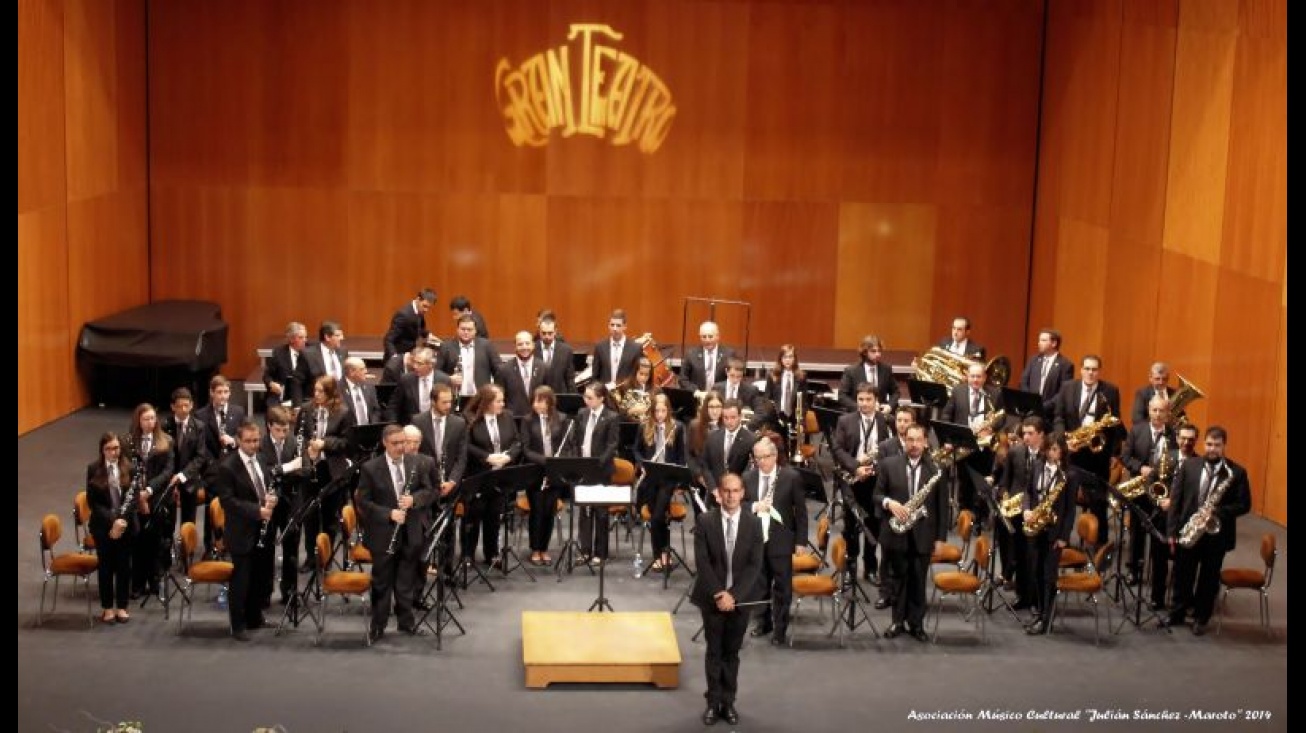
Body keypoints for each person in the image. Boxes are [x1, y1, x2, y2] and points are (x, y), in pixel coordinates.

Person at [688, 473, 762, 727]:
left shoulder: (753, 524)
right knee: (714, 652)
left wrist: (735, 595)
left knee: (732, 653)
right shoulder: (705, 521)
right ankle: (712, 703)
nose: (731, 496)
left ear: (743, 493)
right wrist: (720, 594)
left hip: (740, 601)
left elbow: (754, 566)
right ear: (719, 493)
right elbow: (703, 562)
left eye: (735, 491)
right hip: (712, 598)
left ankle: (728, 703)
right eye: (726, 491)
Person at [1163, 426, 1251, 636]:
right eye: (1209, 444)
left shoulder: (1236, 473)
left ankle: (1201, 618)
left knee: (1208, 580)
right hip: (1189, 530)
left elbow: (1244, 504)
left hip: (1215, 535)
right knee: (1183, 575)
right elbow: (1176, 501)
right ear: (1204, 444)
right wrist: (1172, 531)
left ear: (1224, 446)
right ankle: (1177, 613)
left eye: (1217, 445)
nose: (1212, 449)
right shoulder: (1189, 466)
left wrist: (1217, 512)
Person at [356, 425, 436, 640]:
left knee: (406, 581)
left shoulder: (415, 463)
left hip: (410, 531)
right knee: (382, 582)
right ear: (385, 443)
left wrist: (414, 500)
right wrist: (388, 513)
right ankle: (378, 625)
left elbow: (430, 490)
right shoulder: (371, 468)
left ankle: (406, 623)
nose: (402, 447)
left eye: (403, 442)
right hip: (383, 534)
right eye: (396, 443)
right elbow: (363, 502)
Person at [873, 423, 948, 641]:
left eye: (918, 440)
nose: (914, 444)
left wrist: (940, 539)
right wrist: (889, 503)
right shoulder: (888, 465)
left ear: (926, 442)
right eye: (910, 440)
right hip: (896, 533)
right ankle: (897, 622)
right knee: (897, 581)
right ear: (904, 440)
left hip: (923, 534)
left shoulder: (936, 469)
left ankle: (916, 624)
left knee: (918, 581)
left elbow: (942, 507)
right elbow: (877, 495)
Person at [213, 421, 278, 641]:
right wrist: (257, 511)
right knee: (241, 580)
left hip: (263, 529)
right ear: (239, 441)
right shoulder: (227, 467)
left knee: (260, 576)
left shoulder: (260, 458)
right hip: (242, 531)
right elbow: (228, 502)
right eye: (249, 441)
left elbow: (267, 484)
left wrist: (272, 498)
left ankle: (255, 617)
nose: (253, 445)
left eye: (256, 440)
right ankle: (238, 624)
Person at [741, 437, 807, 645]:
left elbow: (801, 512)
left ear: (775, 456)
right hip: (756, 540)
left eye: (765, 457)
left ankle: (780, 628)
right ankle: (763, 622)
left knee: (782, 586)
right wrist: (754, 507)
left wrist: (801, 541)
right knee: (759, 584)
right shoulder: (748, 477)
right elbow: (739, 504)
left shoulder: (791, 477)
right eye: (757, 457)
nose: (760, 462)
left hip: (781, 539)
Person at [1052, 354, 1122, 550]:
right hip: (1072, 452)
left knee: (1098, 501)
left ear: (1099, 372)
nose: (1091, 373)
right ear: (1081, 370)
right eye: (1087, 369)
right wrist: (1064, 440)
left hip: (1097, 455)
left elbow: (1115, 424)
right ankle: (1061, 538)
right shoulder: (1068, 387)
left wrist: (1114, 453)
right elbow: (1058, 416)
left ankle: (1100, 543)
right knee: (1065, 497)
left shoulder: (1110, 391)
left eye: (1094, 369)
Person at [1120, 396, 1177, 606]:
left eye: (1162, 411)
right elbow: (1125, 457)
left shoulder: (1174, 435)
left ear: (1168, 413)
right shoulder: (1137, 431)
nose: (1157, 414)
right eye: (1154, 410)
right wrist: (1140, 468)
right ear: (1148, 410)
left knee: (1158, 537)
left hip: (1162, 494)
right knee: (1136, 532)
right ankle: (1133, 570)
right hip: (1140, 489)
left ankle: (1157, 579)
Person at [831, 384, 890, 586]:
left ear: (876, 401)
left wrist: (875, 469)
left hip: (874, 480)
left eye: (868, 400)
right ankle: (850, 568)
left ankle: (871, 567)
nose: (864, 404)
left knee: (873, 524)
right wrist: (856, 467)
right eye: (861, 399)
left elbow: (888, 452)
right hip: (852, 478)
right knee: (851, 525)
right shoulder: (845, 421)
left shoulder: (884, 421)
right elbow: (837, 449)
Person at [1022, 435, 1080, 635]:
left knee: (1048, 576)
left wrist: (1064, 536)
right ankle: (1039, 610)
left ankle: (1046, 618)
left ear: (1062, 452)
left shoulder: (1069, 475)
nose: (1053, 453)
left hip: (1055, 533)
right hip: (1037, 527)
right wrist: (1027, 510)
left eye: (1057, 449)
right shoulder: (1037, 467)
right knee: (1037, 572)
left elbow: (1071, 510)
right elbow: (1028, 492)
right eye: (1050, 449)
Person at [296, 376, 356, 561]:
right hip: (310, 467)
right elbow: (298, 435)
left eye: (321, 391)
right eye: (315, 390)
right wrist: (307, 451)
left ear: (330, 393)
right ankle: (310, 558)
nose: (316, 394)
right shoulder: (306, 410)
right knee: (310, 516)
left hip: (331, 470)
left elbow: (348, 442)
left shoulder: (343, 412)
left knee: (330, 517)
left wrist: (325, 444)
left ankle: (326, 557)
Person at [462, 384, 521, 568]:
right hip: (478, 474)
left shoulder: (507, 417)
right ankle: (467, 554)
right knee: (473, 515)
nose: (503, 404)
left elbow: (517, 441)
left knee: (494, 516)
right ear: (486, 403)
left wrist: (508, 456)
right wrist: (487, 457)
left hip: (500, 475)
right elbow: (466, 446)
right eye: (498, 401)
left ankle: (492, 553)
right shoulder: (468, 419)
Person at [414, 382, 468, 580]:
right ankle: (423, 569)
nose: (449, 406)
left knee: (448, 529)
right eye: (444, 402)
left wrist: (452, 481)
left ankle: (447, 571)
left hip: (449, 486)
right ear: (433, 401)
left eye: (450, 402)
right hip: (427, 486)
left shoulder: (459, 423)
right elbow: (415, 456)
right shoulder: (417, 421)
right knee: (425, 530)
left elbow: (462, 457)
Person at [941, 362, 1006, 518]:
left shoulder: (995, 393)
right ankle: (964, 514)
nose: (976, 380)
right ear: (967, 377)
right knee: (964, 481)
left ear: (984, 378)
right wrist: (948, 438)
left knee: (983, 481)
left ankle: (981, 515)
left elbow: (1002, 417)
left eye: (979, 376)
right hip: (964, 444)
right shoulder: (958, 391)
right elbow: (946, 415)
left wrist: (991, 428)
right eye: (972, 376)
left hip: (985, 446)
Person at [996, 416, 1047, 611]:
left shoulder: (1047, 454)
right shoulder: (1015, 452)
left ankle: (1036, 599)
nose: (1025, 437)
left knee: (1034, 557)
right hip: (1017, 513)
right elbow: (1004, 482)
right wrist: (1005, 496)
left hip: (1037, 512)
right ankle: (1022, 596)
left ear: (1041, 435)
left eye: (1030, 433)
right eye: (1024, 433)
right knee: (1019, 555)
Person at [632, 393, 687, 573]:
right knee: (658, 516)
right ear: (652, 411)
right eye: (657, 411)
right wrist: (642, 465)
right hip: (650, 478)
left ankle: (661, 555)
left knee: (657, 517)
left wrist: (679, 481)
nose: (660, 415)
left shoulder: (677, 427)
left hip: (668, 479)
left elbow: (681, 456)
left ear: (668, 410)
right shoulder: (644, 426)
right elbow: (636, 450)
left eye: (664, 411)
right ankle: (663, 554)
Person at [86, 432, 136, 624]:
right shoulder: (93, 469)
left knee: (124, 566)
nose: (112, 452)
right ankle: (107, 608)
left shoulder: (129, 468)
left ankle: (122, 607)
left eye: (115, 448)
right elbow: (93, 502)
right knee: (105, 567)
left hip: (126, 527)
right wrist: (112, 521)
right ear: (102, 450)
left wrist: (122, 521)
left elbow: (132, 499)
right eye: (108, 449)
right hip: (103, 527)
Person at [568, 382, 620, 565]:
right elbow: (575, 440)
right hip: (584, 469)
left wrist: (597, 464)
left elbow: (612, 445)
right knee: (584, 511)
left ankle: (601, 552)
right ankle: (585, 550)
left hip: (601, 470)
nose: (586, 400)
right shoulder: (582, 414)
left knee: (600, 512)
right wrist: (578, 461)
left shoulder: (612, 417)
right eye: (585, 397)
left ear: (601, 398)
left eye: (589, 397)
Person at [259, 405, 307, 606]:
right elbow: (263, 472)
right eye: (278, 430)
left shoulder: (294, 442)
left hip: (291, 502)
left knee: (291, 551)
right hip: (269, 503)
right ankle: (264, 594)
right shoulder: (260, 444)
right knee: (266, 550)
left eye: (286, 430)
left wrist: (280, 472)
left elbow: (304, 470)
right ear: (269, 426)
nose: (282, 434)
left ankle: (289, 593)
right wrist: (286, 469)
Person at [127, 403, 174, 601]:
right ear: (138, 420)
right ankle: (137, 584)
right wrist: (139, 493)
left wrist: (149, 490)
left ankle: (155, 582)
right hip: (136, 498)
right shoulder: (128, 442)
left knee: (155, 542)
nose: (150, 422)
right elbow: (126, 470)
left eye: (153, 418)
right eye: (146, 419)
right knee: (138, 542)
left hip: (157, 498)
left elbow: (168, 471)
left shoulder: (167, 441)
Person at [521, 386, 569, 566]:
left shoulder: (562, 419)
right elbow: (526, 449)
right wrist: (546, 461)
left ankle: (544, 548)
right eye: (535, 401)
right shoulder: (527, 421)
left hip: (555, 472)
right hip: (535, 471)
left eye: (541, 401)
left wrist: (556, 464)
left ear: (549, 402)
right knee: (537, 510)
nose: (537, 405)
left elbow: (566, 446)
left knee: (550, 510)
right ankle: (535, 548)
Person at [161, 388, 212, 540]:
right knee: (168, 520)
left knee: (188, 522)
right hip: (168, 480)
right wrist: (171, 477)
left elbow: (200, 456)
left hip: (189, 480)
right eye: (179, 406)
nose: (183, 409)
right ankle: (168, 553)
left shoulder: (199, 427)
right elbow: (163, 456)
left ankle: (186, 554)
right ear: (173, 407)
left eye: (186, 405)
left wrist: (182, 475)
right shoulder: (165, 426)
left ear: (191, 405)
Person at [701, 399, 755, 498]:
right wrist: (713, 489)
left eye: (733, 417)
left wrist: (734, 491)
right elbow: (705, 465)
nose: (729, 421)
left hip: (738, 496)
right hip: (714, 494)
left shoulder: (751, 440)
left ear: (740, 416)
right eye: (726, 418)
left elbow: (749, 471)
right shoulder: (712, 436)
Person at [439, 314, 499, 400]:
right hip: (454, 397)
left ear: (475, 331)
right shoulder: (446, 347)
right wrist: (448, 378)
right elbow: (436, 372)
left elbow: (498, 371)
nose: (466, 332)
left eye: (469, 329)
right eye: (463, 329)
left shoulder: (486, 345)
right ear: (457, 329)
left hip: (480, 397)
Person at [387, 347, 452, 426]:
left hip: (436, 425)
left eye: (419, 364)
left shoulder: (444, 380)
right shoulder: (406, 380)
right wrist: (393, 426)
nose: (415, 366)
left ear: (430, 365)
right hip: (410, 427)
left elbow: (449, 407)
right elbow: (393, 406)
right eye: (414, 362)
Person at [1017, 328, 1074, 415]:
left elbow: (1063, 392)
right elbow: (1023, 382)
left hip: (1049, 413)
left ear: (1054, 343)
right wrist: (1029, 401)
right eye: (1039, 340)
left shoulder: (1065, 365)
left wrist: (1043, 406)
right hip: (1029, 410)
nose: (1039, 343)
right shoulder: (1033, 360)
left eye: (1043, 340)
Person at [838, 335, 897, 411]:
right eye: (873, 351)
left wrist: (889, 406)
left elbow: (895, 392)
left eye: (879, 351)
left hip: (880, 415)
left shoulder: (886, 369)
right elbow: (842, 396)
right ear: (865, 352)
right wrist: (860, 408)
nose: (878, 354)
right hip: (858, 416)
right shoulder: (851, 371)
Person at [262, 321, 312, 411]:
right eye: (301, 337)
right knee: (273, 411)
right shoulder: (278, 353)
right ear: (291, 339)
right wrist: (271, 384)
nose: (305, 340)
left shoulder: (311, 352)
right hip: (283, 394)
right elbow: (267, 376)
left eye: (305, 337)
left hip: (305, 394)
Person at [763, 344, 808, 437]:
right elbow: (766, 399)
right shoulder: (772, 375)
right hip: (776, 418)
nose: (787, 360)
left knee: (791, 449)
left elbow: (804, 403)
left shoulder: (801, 377)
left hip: (793, 419)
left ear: (795, 359)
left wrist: (801, 423)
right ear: (780, 359)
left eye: (790, 357)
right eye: (785, 357)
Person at [687, 391, 725, 500]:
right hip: (699, 479)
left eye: (718, 406)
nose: (715, 411)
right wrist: (699, 475)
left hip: (719, 480)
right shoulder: (694, 426)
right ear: (705, 408)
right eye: (711, 407)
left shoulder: (727, 427)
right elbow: (689, 455)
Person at [591, 309, 642, 388]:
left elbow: (637, 376)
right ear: (608, 326)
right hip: (605, 395)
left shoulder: (635, 348)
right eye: (612, 325)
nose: (614, 329)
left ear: (625, 326)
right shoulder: (600, 346)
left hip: (626, 394)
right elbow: (595, 375)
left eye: (618, 325)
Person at [680, 321, 736, 392]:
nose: (707, 340)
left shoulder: (729, 354)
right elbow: (683, 379)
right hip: (697, 396)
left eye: (710, 336)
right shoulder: (691, 354)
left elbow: (734, 377)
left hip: (720, 397)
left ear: (718, 336)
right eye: (704, 337)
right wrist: (696, 391)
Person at [383, 287, 437, 361]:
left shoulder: (419, 311)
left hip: (409, 356)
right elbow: (389, 340)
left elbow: (418, 327)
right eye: (424, 306)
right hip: (398, 357)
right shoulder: (403, 315)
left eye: (428, 307)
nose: (426, 310)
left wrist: (429, 335)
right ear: (418, 299)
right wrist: (395, 358)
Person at [501, 331, 544, 421]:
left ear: (533, 345)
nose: (524, 347)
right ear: (515, 347)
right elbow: (501, 397)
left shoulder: (543, 368)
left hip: (537, 419)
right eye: (520, 344)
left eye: (527, 343)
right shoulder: (504, 369)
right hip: (513, 420)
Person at [535, 314, 576, 394]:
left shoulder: (566, 350)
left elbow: (569, 378)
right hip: (538, 396)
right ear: (539, 332)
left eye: (550, 333)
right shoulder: (532, 349)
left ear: (555, 331)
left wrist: (573, 398)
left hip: (560, 395)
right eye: (544, 333)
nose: (547, 336)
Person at [1131, 361, 1180, 427]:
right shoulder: (1142, 394)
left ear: (1168, 378)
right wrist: (1158, 423)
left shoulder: (1174, 393)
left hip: (1171, 433)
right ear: (1150, 378)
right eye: (1157, 379)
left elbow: (1181, 415)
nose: (1161, 382)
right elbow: (1137, 419)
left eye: (1164, 379)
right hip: (1149, 433)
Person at [341, 356, 385, 427]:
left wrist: (372, 425)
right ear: (351, 372)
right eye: (362, 369)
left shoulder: (369, 387)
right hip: (349, 432)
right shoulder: (338, 389)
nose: (366, 371)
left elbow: (376, 410)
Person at [612, 356, 658, 422]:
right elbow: (616, 412)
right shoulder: (624, 387)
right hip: (628, 425)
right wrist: (631, 411)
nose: (643, 378)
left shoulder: (656, 390)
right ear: (635, 372)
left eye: (646, 375)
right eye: (641, 374)